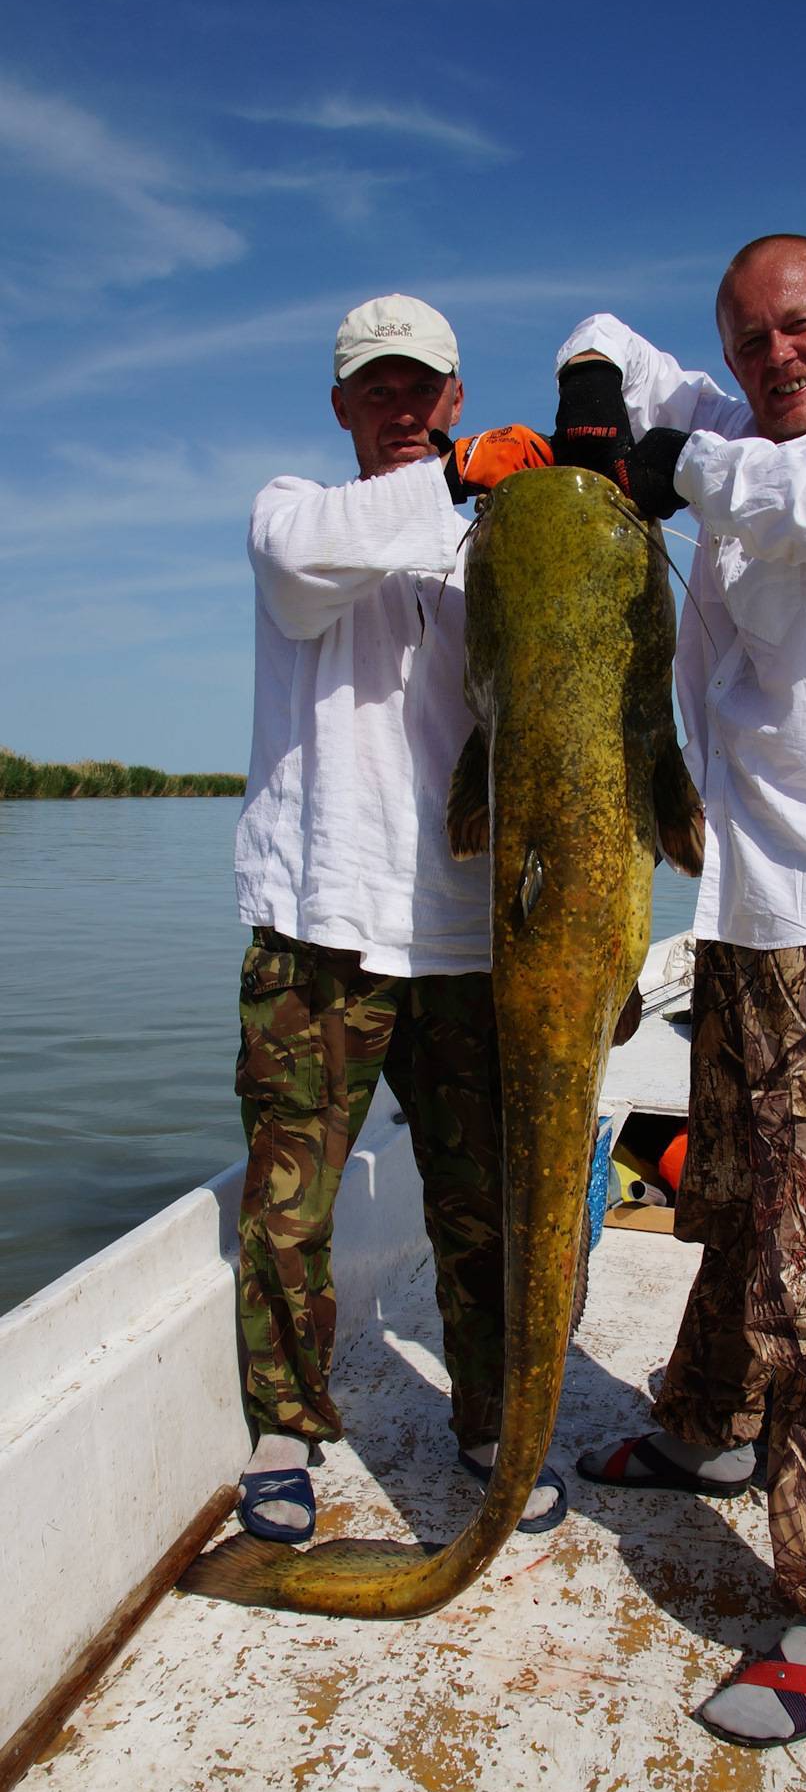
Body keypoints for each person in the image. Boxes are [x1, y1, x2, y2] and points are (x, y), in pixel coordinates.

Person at [555, 235, 806, 1746]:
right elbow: (603, 327)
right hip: (734, 910)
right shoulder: (722, 423)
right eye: (745, 340)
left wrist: (678, 468)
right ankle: (706, 1432)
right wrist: (601, 412)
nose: (774, 356)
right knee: (727, 1194)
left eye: (798, 328)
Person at [233, 293, 562, 1544]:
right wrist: (461, 483)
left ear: (457, 398)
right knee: (289, 1205)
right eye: (377, 388)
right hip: (315, 922)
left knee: (483, 1203)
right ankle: (285, 1428)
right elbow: (314, 562)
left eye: (424, 387)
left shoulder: (490, 553)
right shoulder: (293, 519)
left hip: (469, 936)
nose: (404, 407)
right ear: (339, 408)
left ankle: (486, 1415)